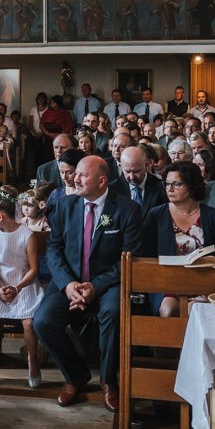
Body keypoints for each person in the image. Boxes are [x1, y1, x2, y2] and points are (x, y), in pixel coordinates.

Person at [35, 156, 142, 410]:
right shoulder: (64, 206)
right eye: (76, 174)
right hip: (69, 280)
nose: (75, 178)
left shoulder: (127, 210)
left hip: (109, 283)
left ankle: (109, 381)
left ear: (102, 180)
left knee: (114, 311)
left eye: (83, 175)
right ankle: (76, 376)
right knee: (43, 320)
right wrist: (69, 285)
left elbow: (129, 259)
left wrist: (95, 286)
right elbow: (54, 250)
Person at [138, 161, 215, 318]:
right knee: (168, 309)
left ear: (191, 185)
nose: (170, 189)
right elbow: (146, 255)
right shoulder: (156, 215)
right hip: (166, 283)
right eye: (167, 184)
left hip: (204, 282)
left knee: (195, 310)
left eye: (176, 184)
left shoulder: (212, 216)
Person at [0, 187, 44, 386]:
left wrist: (17, 287)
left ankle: (32, 360)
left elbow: (33, 268)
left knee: (29, 323)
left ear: (1, 216)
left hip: (23, 281)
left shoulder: (26, 235)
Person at [113, 144, 166, 210]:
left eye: (136, 171)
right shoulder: (113, 190)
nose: (132, 177)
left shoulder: (160, 187)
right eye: (127, 171)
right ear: (121, 167)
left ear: (147, 164)